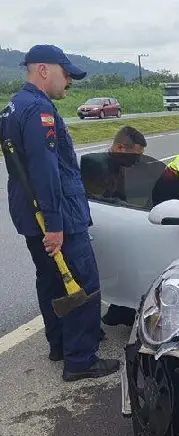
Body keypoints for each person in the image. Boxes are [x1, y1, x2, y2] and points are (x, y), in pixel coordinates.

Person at [0, 45, 119, 381]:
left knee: (50, 279)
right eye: (65, 74)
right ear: (43, 70)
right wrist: (55, 224)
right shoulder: (39, 111)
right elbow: (44, 170)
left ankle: (60, 345)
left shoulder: (12, 107)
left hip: (29, 213)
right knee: (83, 281)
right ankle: (81, 359)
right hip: (57, 214)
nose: (69, 81)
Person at [80, 126, 149, 327]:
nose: (136, 161)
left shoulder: (118, 165)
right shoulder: (97, 164)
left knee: (125, 267)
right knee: (96, 277)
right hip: (96, 225)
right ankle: (92, 326)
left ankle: (120, 310)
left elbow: (120, 196)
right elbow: (100, 199)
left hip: (114, 220)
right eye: (134, 156)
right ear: (120, 148)